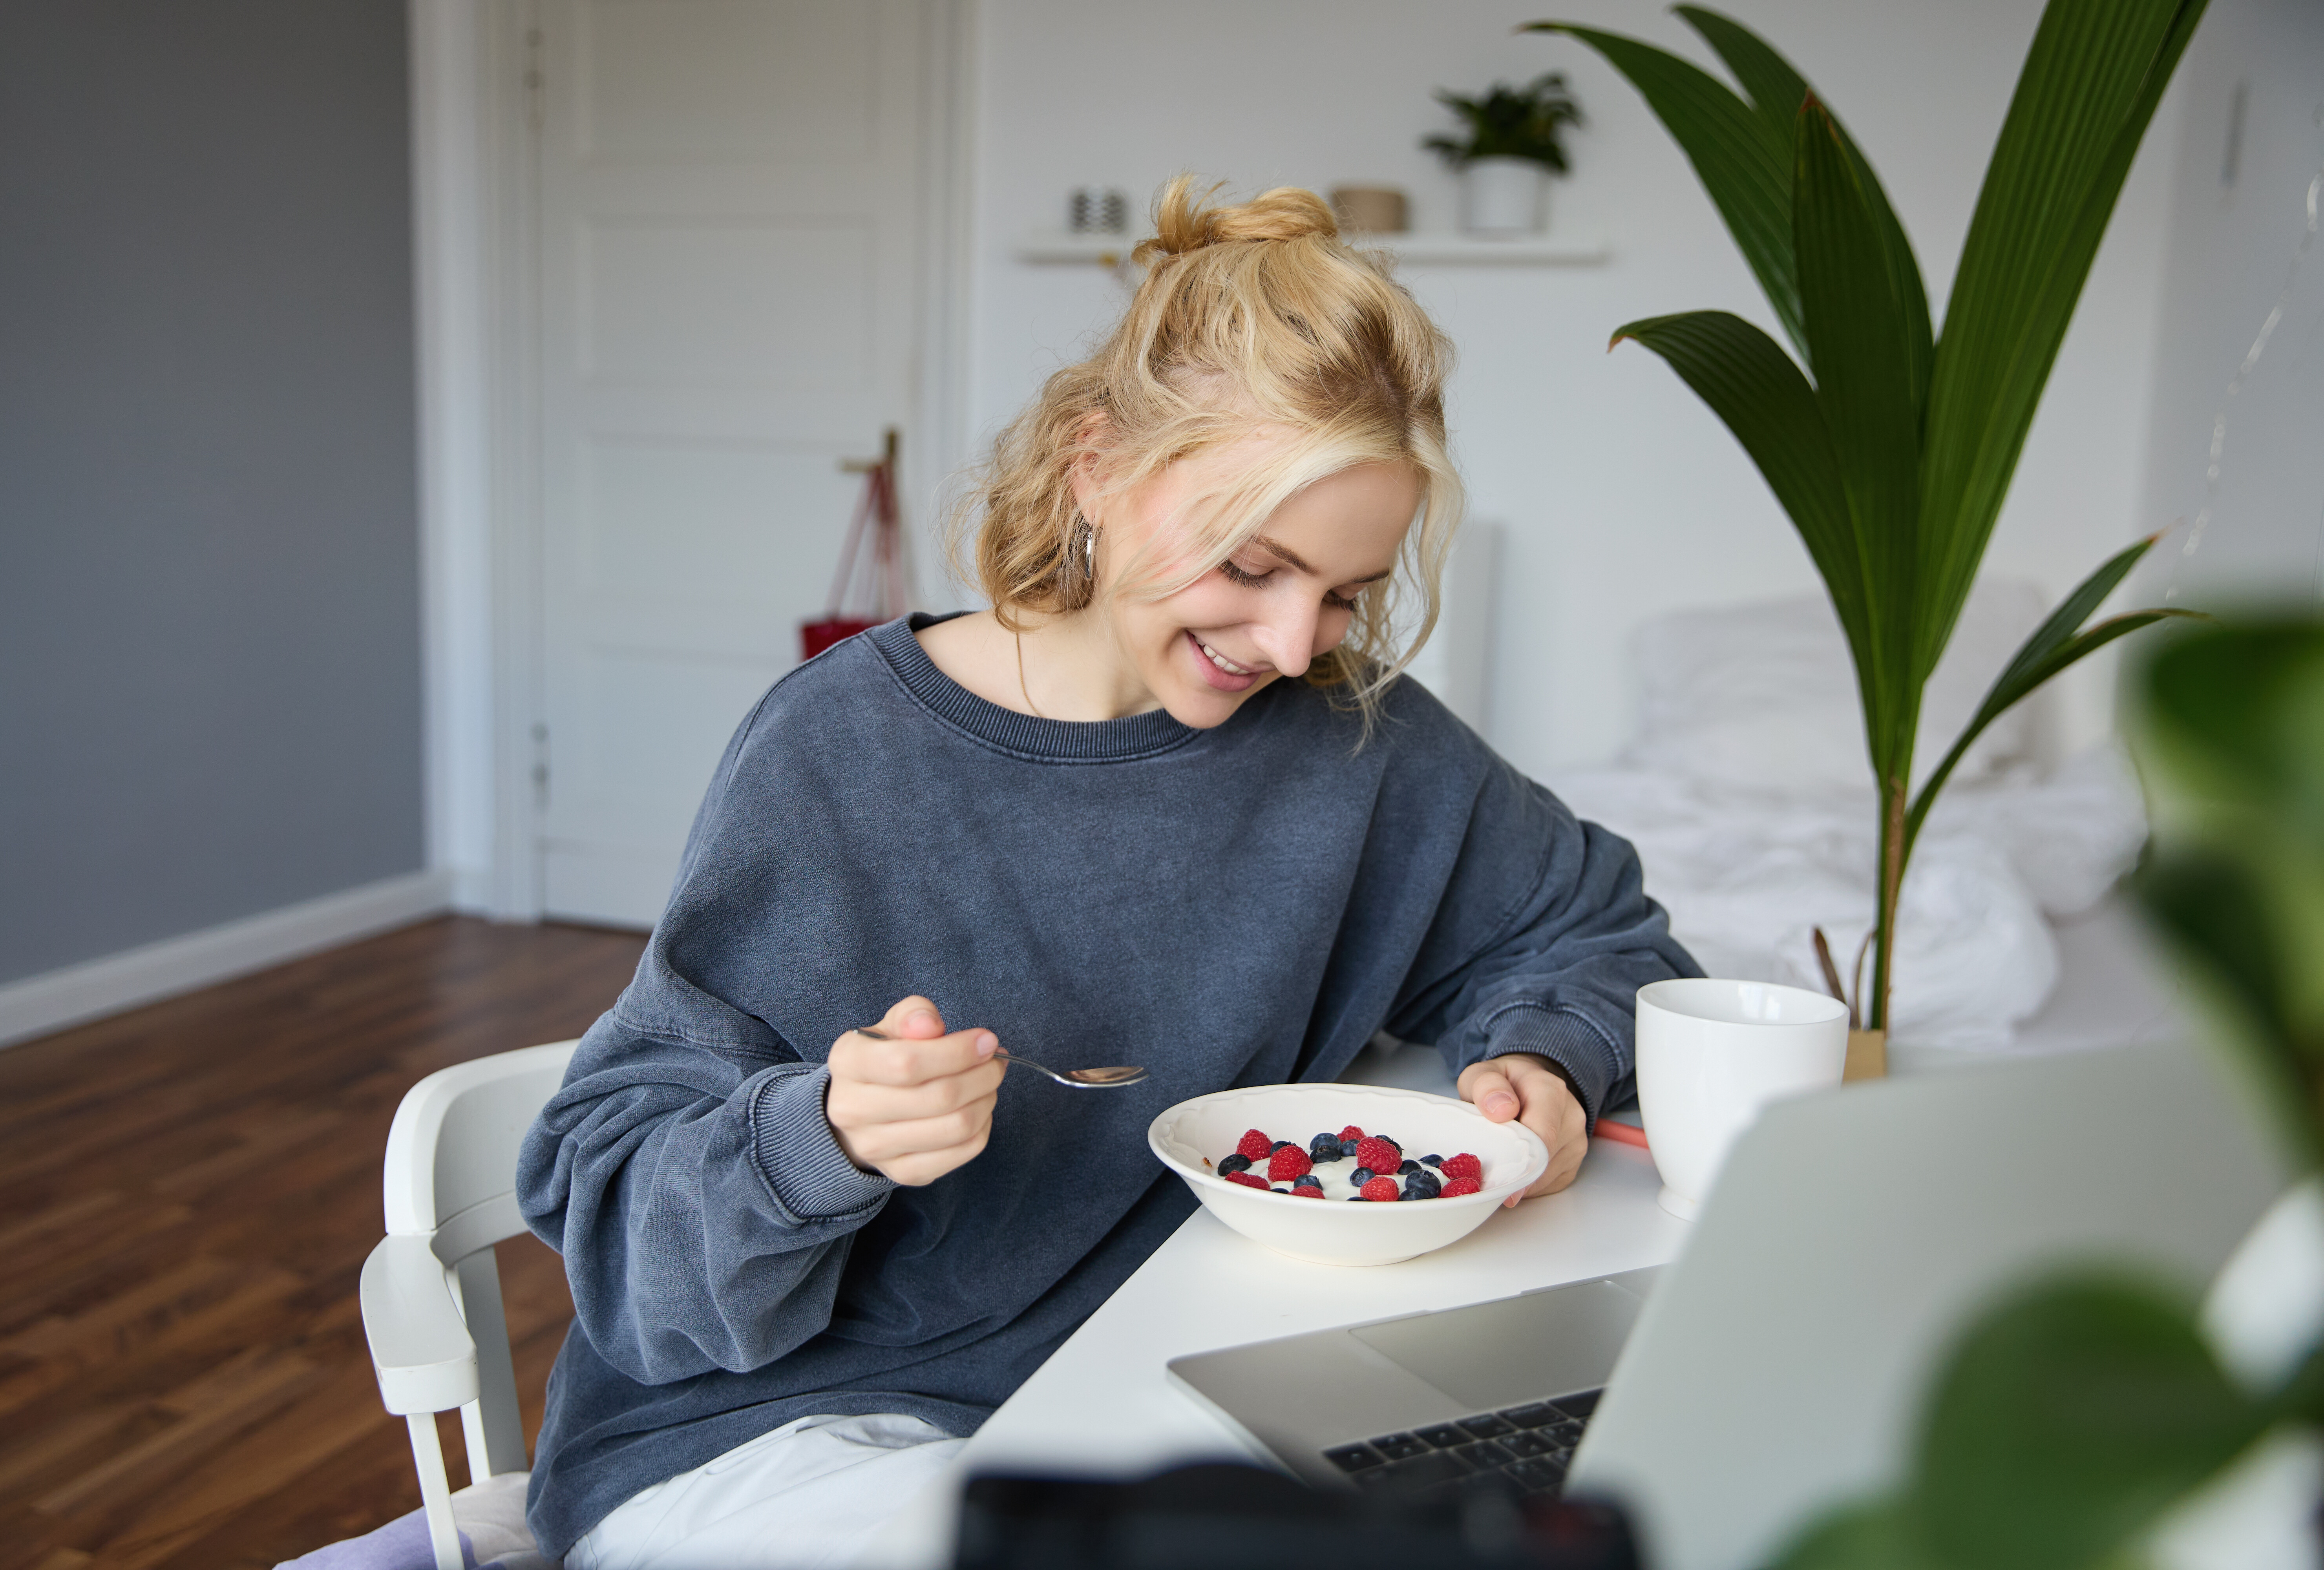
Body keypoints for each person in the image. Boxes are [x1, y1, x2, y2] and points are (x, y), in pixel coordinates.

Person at [518, 179, 1699, 1568]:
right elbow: (626, 1246)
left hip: (1148, 1395)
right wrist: (820, 1138)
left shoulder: (1359, 744)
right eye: (1252, 565)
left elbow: (1603, 935)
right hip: (785, 1433)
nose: (1294, 643)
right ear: (1095, 466)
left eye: (1346, 595)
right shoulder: (838, 749)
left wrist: (1546, 1060)